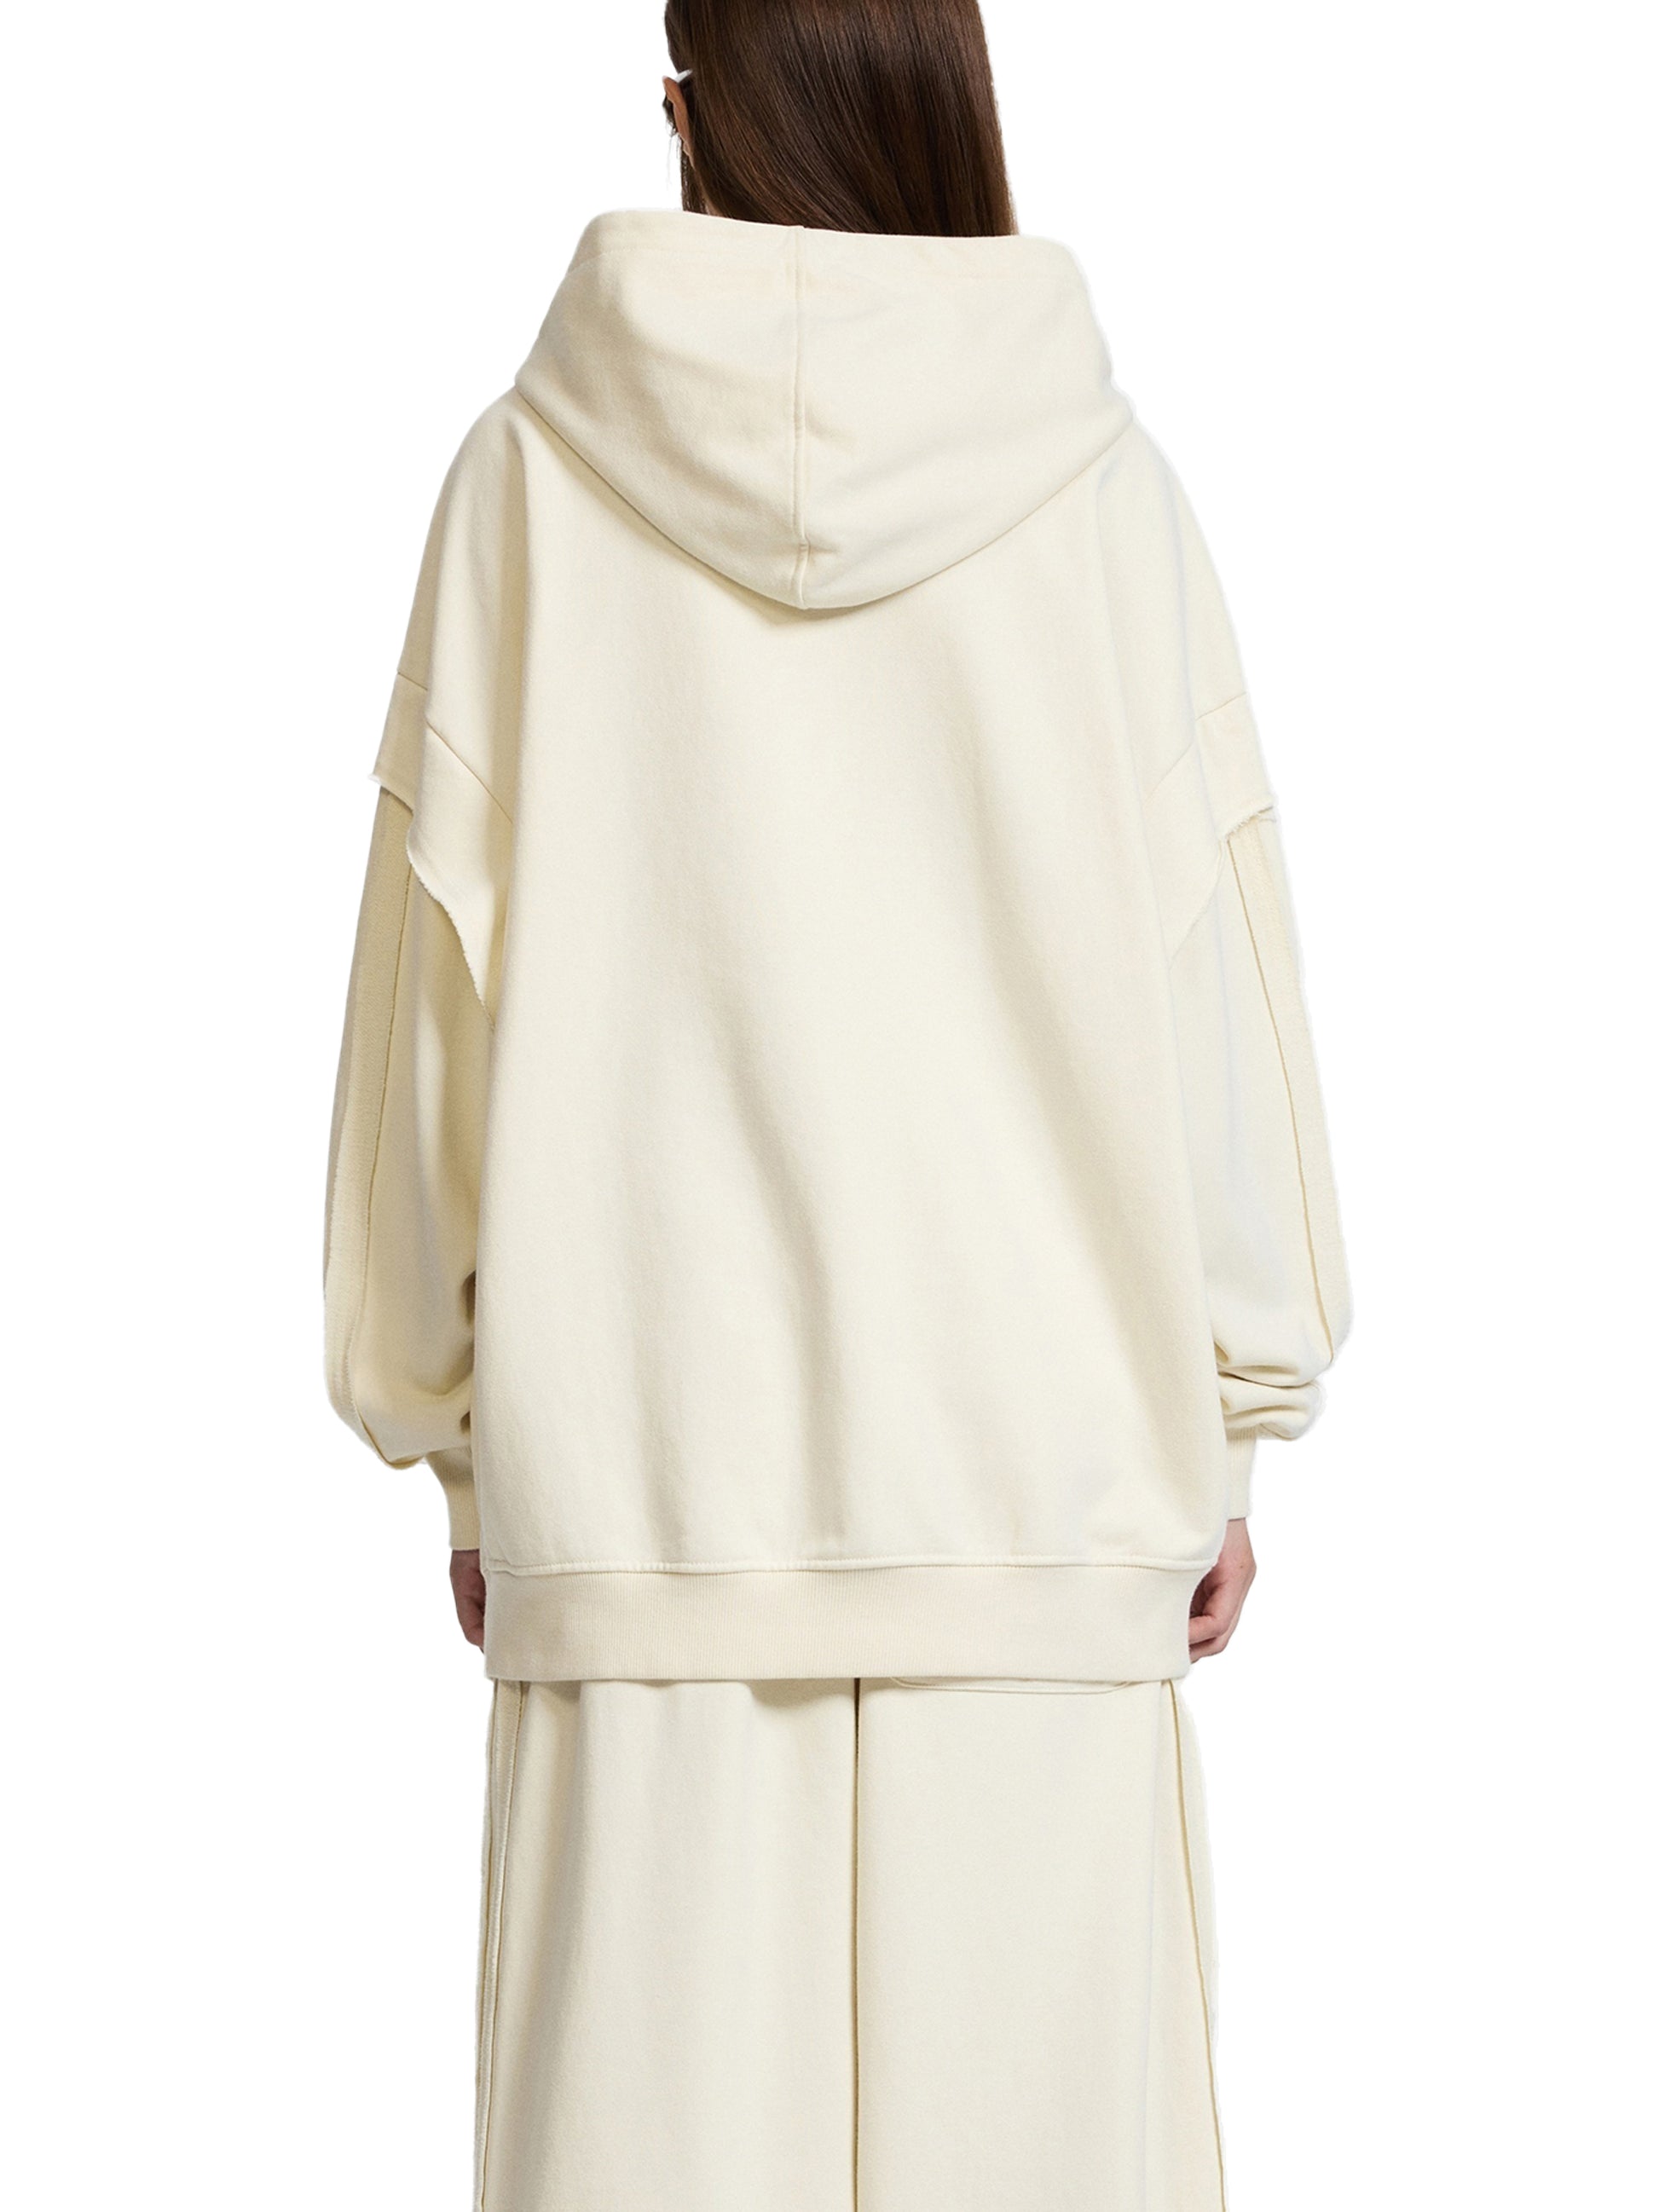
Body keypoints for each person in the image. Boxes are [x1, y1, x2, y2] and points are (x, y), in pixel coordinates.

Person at [323, 0, 1350, 2203]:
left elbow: (431, 999)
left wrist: (458, 1435)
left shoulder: (525, 486)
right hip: (1045, 1541)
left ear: (693, 112)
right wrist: (1235, 1407)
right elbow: (1217, 981)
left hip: (643, 1531)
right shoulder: (1102, 494)